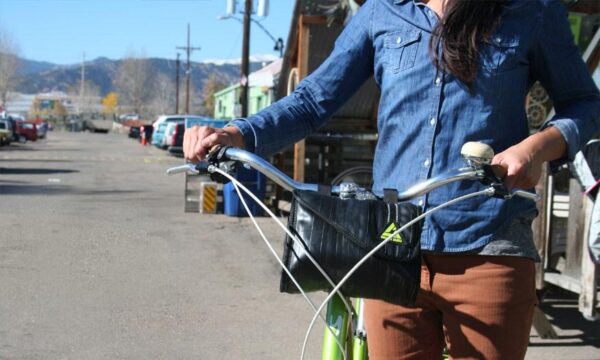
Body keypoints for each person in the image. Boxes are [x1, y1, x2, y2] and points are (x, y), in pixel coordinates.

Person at [185, 0, 600, 358]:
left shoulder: (528, 10)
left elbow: (584, 102)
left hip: (488, 244)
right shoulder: (381, 13)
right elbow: (312, 100)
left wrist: (539, 147)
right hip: (391, 248)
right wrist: (237, 134)